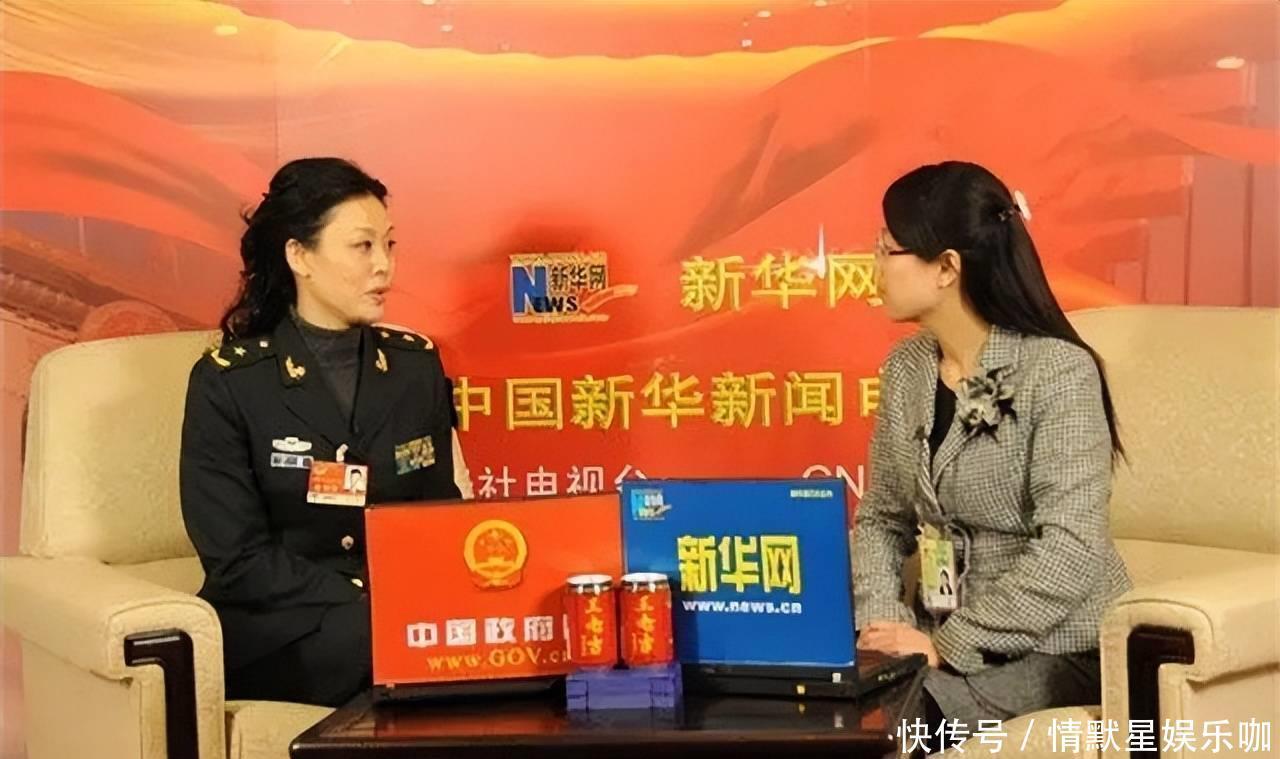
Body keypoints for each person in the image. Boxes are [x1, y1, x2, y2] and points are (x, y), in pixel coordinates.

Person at [852, 161, 1131, 752]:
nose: (873, 269)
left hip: (1057, 648)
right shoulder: (906, 370)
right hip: (936, 643)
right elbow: (880, 519)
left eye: (886, 250)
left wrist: (948, 644)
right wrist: (885, 626)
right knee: (845, 709)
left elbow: (1071, 548)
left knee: (903, 723)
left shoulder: (1057, 373)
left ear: (946, 268)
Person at [180, 157, 473, 706]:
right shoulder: (231, 383)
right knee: (385, 644)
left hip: (398, 615)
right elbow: (236, 560)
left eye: (389, 245)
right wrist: (366, 599)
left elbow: (440, 515)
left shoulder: (414, 367)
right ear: (299, 256)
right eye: (362, 246)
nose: (384, 266)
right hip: (279, 627)